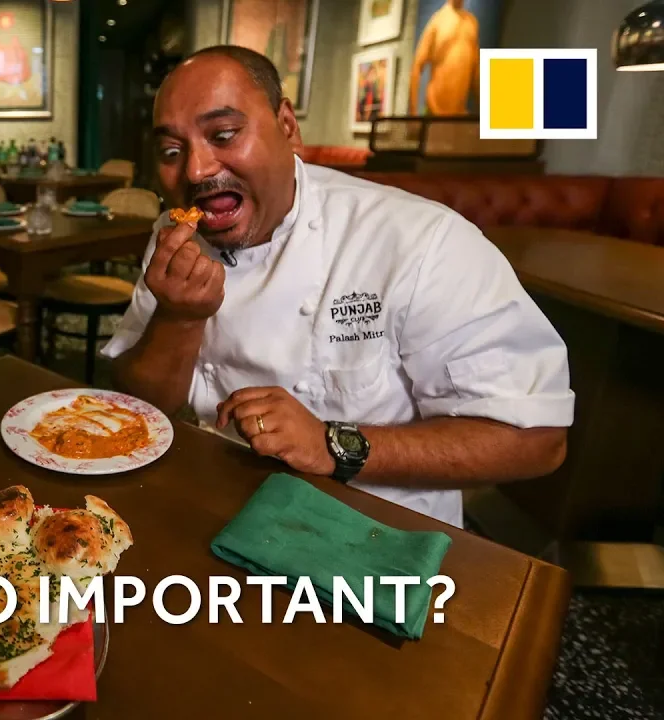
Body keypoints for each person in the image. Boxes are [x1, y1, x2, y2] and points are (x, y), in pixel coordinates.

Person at [103, 45, 573, 528]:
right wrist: (179, 317)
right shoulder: (175, 234)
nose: (196, 170)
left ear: (287, 126)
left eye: (224, 135)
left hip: (376, 531)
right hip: (218, 505)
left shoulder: (420, 240)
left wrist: (332, 444)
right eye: (171, 152)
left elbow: (537, 439)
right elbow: (140, 406)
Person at [410, 0, 480, 115]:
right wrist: (413, 112)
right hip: (435, 112)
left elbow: (476, 70)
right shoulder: (438, 21)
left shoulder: (471, 23)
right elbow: (417, 66)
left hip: (459, 113)